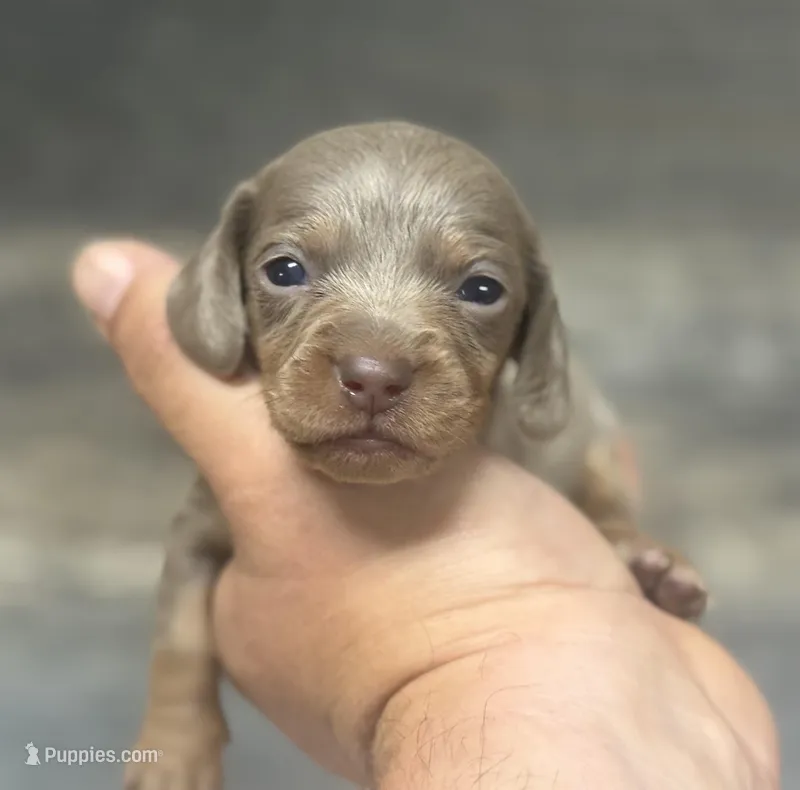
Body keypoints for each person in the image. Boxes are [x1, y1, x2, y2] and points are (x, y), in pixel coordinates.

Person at [71, 240, 779, 789]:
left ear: (532, 329)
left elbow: (583, 440)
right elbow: (197, 547)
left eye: (478, 290)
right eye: (287, 271)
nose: (375, 367)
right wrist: (177, 716)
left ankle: (618, 541)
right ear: (222, 281)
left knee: (593, 461)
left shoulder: (549, 412)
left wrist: (485, 669)